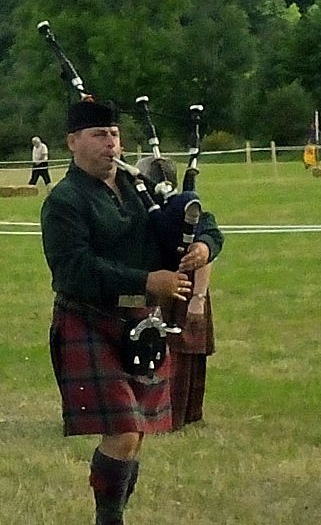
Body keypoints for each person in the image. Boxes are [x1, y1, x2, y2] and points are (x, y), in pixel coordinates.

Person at [41, 101, 223, 525]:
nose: (110, 143)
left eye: (114, 134)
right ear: (72, 143)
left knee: (135, 433)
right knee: (123, 431)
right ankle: (109, 519)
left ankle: (113, 514)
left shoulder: (138, 184)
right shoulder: (64, 201)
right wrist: (145, 281)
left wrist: (204, 246)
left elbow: (204, 219)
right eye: (98, 135)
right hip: (89, 318)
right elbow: (74, 269)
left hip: (142, 323)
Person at [141, 158, 218, 431]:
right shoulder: (150, 210)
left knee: (183, 356)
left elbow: (206, 247)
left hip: (186, 292)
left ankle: (182, 414)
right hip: (160, 288)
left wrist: (198, 298)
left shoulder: (187, 211)